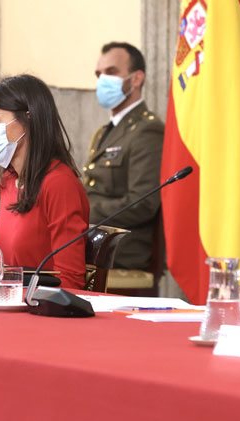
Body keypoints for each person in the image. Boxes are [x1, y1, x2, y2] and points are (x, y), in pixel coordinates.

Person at [0, 74, 90, 289]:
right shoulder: (9, 179)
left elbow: (70, 282)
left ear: (28, 119)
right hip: (5, 303)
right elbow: (10, 261)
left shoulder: (59, 183)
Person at [83, 42, 164, 277]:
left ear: (136, 79)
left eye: (111, 72)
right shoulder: (104, 131)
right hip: (91, 239)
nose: (102, 81)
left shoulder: (148, 130)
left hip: (118, 249)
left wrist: (82, 213)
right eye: (99, 74)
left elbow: (142, 203)